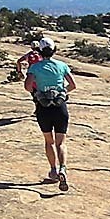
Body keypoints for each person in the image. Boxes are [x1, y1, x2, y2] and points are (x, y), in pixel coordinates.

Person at [24, 37, 76, 191]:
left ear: (39, 51)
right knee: (61, 142)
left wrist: (37, 92)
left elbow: (27, 87)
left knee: (49, 141)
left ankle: (53, 170)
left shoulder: (35, 67)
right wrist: (60, 92)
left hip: (43, 107)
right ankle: (63, 169)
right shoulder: (62, 65)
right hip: (60, 107)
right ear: (54, 51)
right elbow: (73, 85)